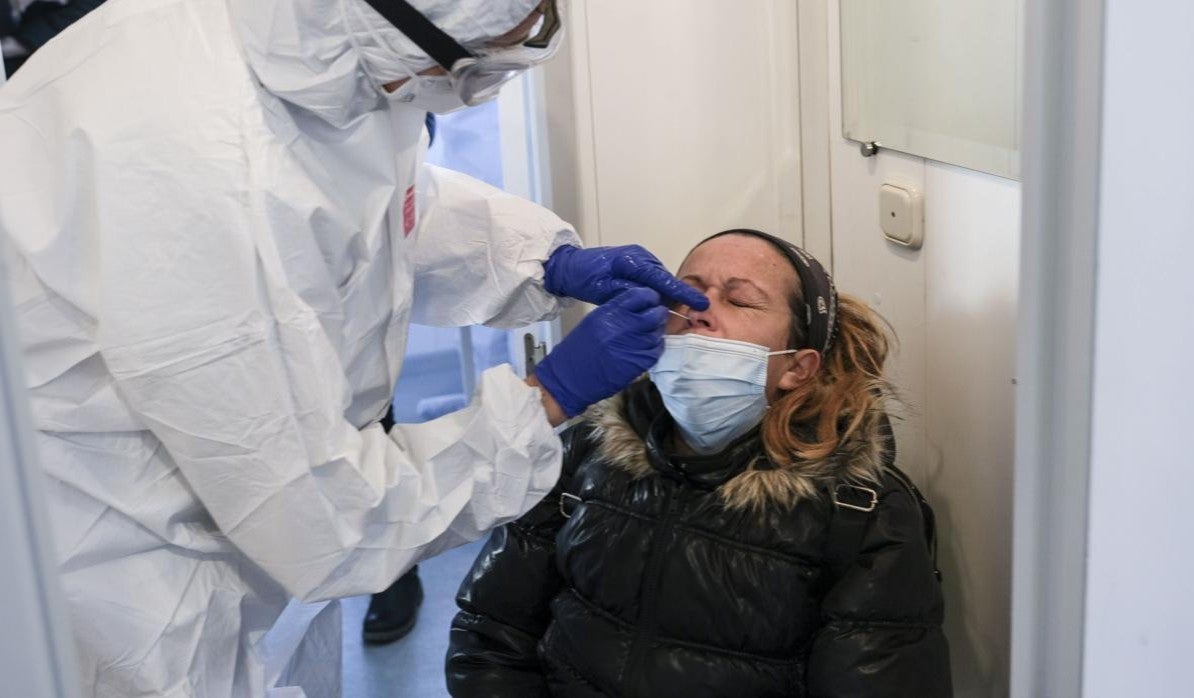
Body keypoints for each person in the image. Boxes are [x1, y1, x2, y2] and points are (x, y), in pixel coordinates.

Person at [0, 0, 708, 696]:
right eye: (474, 66)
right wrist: (546, 398)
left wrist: (538, 260)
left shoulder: (324, 50)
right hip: (128, 565)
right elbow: (327, 522)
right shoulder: (195, 164)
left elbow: (379, 206)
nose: (476, 92)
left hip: (240, 531)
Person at [446, 229, 953, 697]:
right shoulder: (583, 454)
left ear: (797, 366)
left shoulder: (862, 513)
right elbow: (489, 633)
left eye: (739, 299)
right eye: (685, 291)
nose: (700, 309)